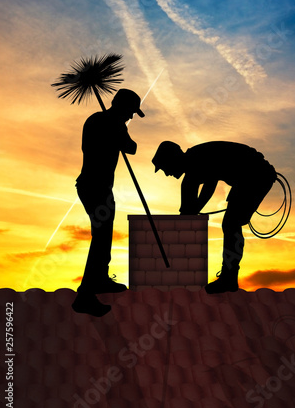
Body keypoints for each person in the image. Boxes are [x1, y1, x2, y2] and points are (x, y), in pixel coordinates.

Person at [152, 141, 277, 294]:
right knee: (231, 223)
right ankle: (229, 277)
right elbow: (187, 209)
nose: (167, 173)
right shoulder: (190, 171)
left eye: (165, 168)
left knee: (231, 224)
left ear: (172, 159)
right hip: (246, 179)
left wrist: (193, 211)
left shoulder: (196, 160)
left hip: (257, 175)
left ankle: (229, 278)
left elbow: (209, 186)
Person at [72, 89, 145, 316]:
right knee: (101, 237)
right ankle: (85, 295)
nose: (131, 117)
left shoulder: (99, 121)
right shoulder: (107, 123)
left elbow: (129, 148)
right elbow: (131, 147)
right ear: (122, 107)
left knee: (103, 235)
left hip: (96, 187)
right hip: (95, 188)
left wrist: (118, 131)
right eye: (131, 112)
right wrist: (117, 131)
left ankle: (101, 279)